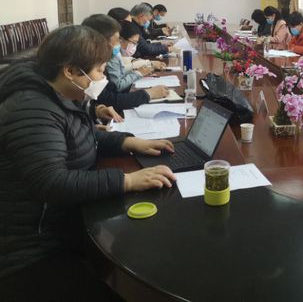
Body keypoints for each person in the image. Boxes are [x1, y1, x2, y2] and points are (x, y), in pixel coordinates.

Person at [0, 25, 176, 299]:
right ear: (70, 71)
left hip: (64, 226)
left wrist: (128, 142)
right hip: (30, 248)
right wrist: (127, 181)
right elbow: (51, 182)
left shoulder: (60, 93)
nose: (103, 78)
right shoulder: (31, 108)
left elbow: (78, 135)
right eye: (99, 71)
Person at [82, 14, 169, 108]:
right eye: (116, 41)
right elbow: (110, 99)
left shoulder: (102, 62)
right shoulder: (90, 67)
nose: (118, 44)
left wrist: (98, 111)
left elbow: (109, 91)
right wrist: (148, 94)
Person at [106, 20, 166, 92]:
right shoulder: (111, 54)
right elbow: (118, 84)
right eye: (133, 42)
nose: (134, 46)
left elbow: (121, 67)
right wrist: (139, 72)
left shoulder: (115, 52)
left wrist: (140, 64)